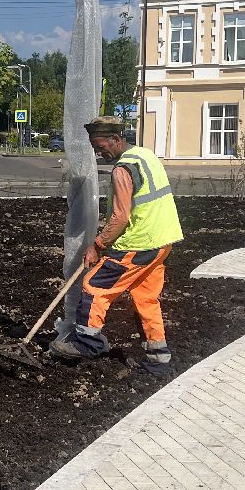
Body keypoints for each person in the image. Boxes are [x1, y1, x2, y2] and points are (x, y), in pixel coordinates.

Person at [50, 116, 183, 377]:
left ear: (115, 139)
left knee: (94, 286)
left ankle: (87, 343)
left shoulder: (122, 170)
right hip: (162, 241)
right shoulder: (145, 155)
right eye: (95, 148)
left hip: (138, 243)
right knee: (145, 298)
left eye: (101, 147)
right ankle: (158, 358)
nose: (99, 153)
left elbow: (121, 217)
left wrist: (98, 244)